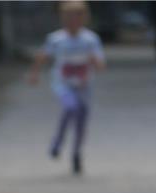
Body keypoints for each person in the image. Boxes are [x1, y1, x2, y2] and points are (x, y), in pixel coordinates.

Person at [28, 0, 105, 175]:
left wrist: (95, 60)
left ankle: (76, 153)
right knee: (71, 107)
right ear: (63, 18)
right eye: (69, 16)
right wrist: (34, 74)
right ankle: (58, 142)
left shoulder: (90, 40)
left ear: (85, 18)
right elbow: (42, 56)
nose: (73, 20)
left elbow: (101, 66)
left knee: (81, 121)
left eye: (78, 16)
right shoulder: (56, 39)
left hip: (84, 86)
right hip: (62, 83)